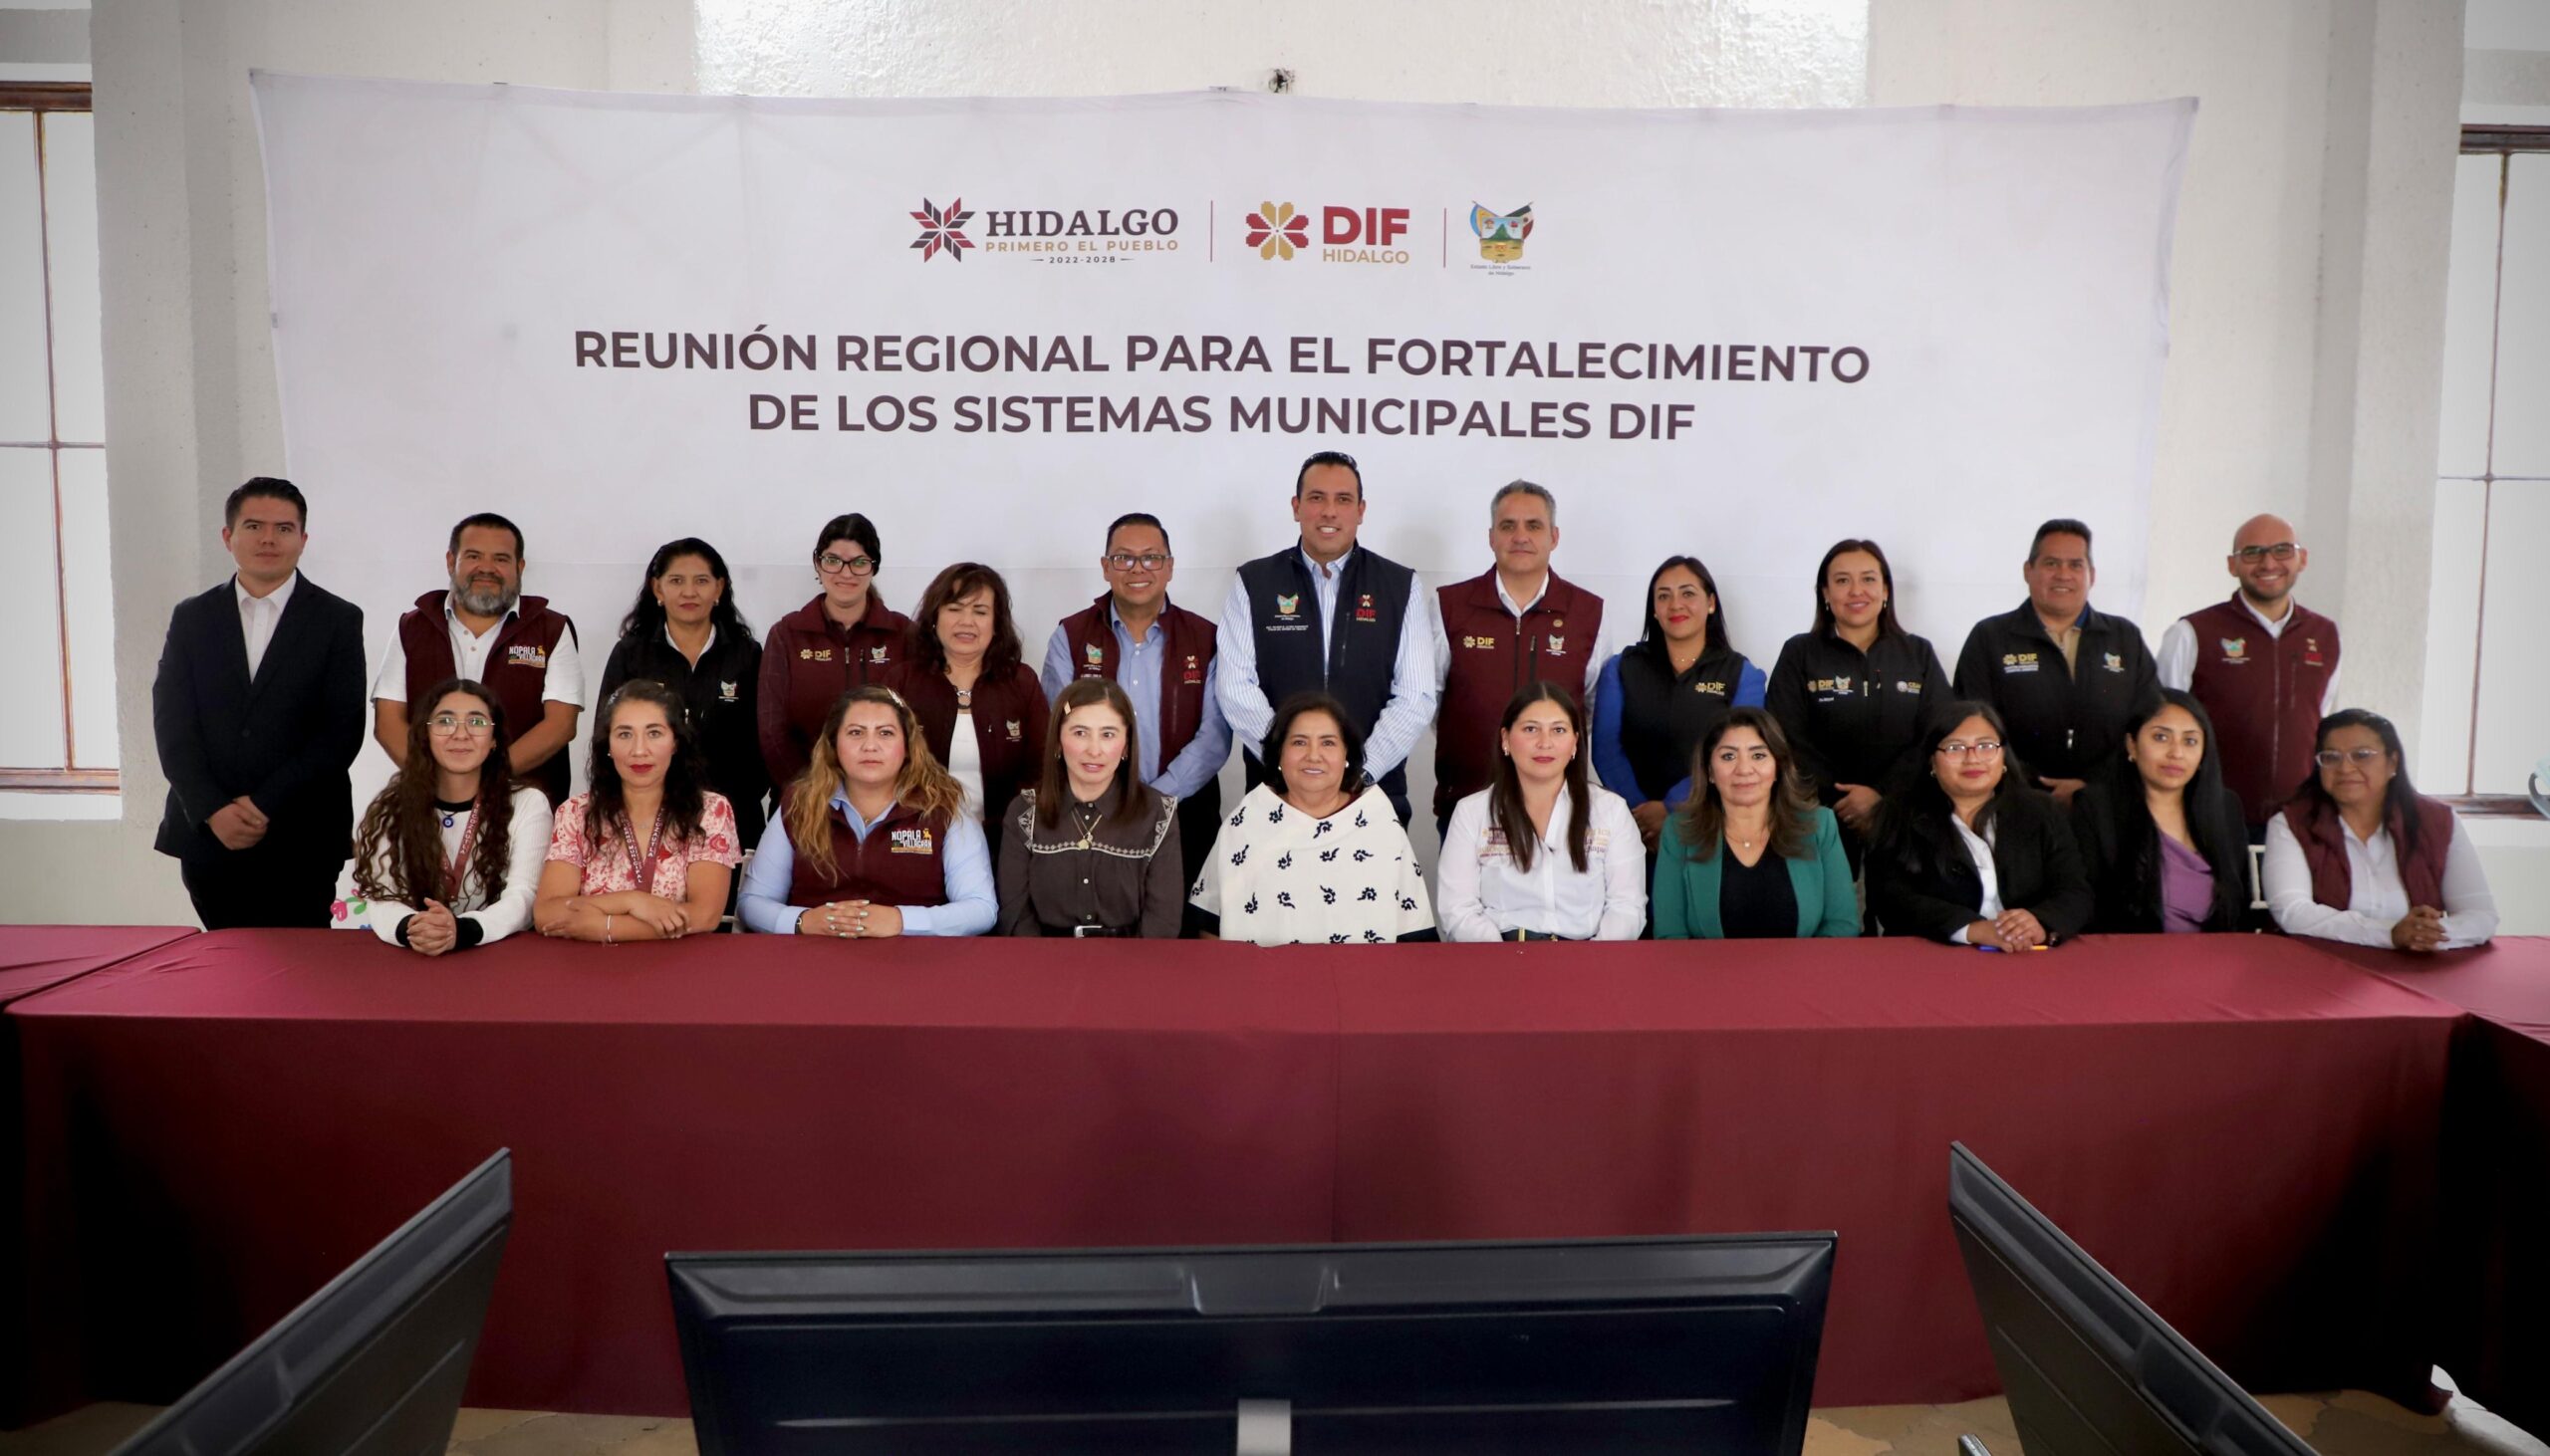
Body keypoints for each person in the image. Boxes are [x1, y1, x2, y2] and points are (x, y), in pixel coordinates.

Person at [151, 477, 366, 928]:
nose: (268, 539)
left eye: (284, 528)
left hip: (303, 835)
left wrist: (264, 804)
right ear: (228, 536)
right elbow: (173, 726)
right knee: (223, 959)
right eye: (254, 526)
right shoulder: (192, 617)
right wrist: (213, 809)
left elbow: (341, 732)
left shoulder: (338, 619)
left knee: (302, 963)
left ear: (303, 540)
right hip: (209, 834)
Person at [1218, 451, 1439, 825]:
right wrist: (1291, 765)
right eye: (1317, 498)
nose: (1329, 512)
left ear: (1361, 510)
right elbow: (1235, 687)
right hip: (1276, 793)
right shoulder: (1254, 582)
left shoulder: (1400, 586)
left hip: (1371, 794)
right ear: (1296, 507)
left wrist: (1358, 773)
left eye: (1343, 499)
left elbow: (1415, 696)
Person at [1039, 512, 1232, 902]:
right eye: (1124, 558)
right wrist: (1111, 799)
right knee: (1097, 922)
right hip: (1089, 814)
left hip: (1185, 814)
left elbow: (1214, 737)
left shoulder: (1205, 638)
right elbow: (1058, 725)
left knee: (1178, 928)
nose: (1138, 568)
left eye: (1151, 558)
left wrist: (1155, 799)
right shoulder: (1071, 636)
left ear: (1170, 567)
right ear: (1106, 567)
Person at [738, 685, 996, 937]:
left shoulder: (944, 806)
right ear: (833, 744)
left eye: (885, 733)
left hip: (915, 957)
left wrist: (901, 920)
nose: (870, 746)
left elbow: (980, 908)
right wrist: (803, 921)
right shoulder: (799, 804)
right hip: (813, 954)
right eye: (855, 732)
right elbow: (753, 902)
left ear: (907, 745)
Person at [1430, 480, 1607, 838]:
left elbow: (1589, 708)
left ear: (1554, 537)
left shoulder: (1588, 613)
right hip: (1468, 805)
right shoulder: (1449, 606)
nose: (1520, 536)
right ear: (1491, 537)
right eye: (1508, 526)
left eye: (1534, 526)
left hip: (1560, 811)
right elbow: (1430, 700)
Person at [1190, 691, 1435, 945]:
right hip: (1258, 970)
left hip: (1363, 971)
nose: (1313, 755)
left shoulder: (1380, 823)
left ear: (1346, 755)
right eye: (1299, 742)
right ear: (1279, 754)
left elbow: (1413, 933)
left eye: (1328, 743)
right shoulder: (1246, 821)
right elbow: (1208, 922)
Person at [373, 512, 583, 807]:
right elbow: (388, 722)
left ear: (519, 567)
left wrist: (482, 781)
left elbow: (560, 725)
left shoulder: (552, 629)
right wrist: (438, 784)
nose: (486, 568)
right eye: (473, 556)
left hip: (526, 805)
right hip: (429, 804)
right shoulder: (411, 627)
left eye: (501, 559)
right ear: (451, 561)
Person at [1764, 539, 1948, 867]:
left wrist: (1881, 797)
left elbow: (1938, 732)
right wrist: (1843, 799)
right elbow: (1785, 735)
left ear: (1886, 590)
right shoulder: (1799, 653)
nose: (1856, 591)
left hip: (1904, 818)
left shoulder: (1918, 653)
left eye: (1868, 579)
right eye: (1842, 580)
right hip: (1819, 819)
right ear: (1825, 592)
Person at [1952, 518, 2159, 808]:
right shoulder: (1990, 637)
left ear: (2091, 575)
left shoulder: (2125, 638)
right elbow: (1971, 727)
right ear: (2028, 571)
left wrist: (2093, 787)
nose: (2063, 574)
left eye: (2075, 565)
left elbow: (2149, 723)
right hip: (2014, 802)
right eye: (2051, 563)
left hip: (2108, 803)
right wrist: (2033, 787)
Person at [2158, 514, 2341, 835]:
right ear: (2232, 565)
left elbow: (2319, 722)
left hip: (2298, 821)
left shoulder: (2325, 635)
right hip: (2209, 818)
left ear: (2302, 559)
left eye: (2282, 550)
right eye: (2253, 553)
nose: (2268, 563)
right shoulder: (2192, 632)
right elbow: (2160, 725)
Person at [2262, 709, 2497, 951]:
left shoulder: (2438, 822)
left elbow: (2481, 915)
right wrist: (2389, 934)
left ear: (2392, 762)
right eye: (2331, 757)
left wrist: (2427, 934)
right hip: (2321, 962)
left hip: (2416, 965)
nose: (2345, 768)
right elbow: (2292, 911)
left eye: (2361, 755)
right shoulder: (2291, 823)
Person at [348, 679, 553, 952]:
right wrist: (415, 928)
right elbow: (382, 897)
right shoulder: (393, 805)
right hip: (417, 953)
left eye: (476, 722)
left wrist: (462, 930)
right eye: (445, 721)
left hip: (497, 954)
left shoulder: (528, 803)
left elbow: (524, 896)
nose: (460, 734)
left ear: (494, 739)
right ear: (426, 735)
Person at [1866, 702, 2093, 948]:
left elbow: (2074, 891)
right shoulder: (1896, 815)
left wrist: (2039, 922)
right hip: (1936, 956)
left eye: (1986, 746)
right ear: (1932, 760)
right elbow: (1891, 899)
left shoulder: (2041, 811)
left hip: (2026, 953)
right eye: (1955, 748)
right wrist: (1970, 929)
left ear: (2003, 756)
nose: (1972, 759)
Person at [533, 679, 742, 941]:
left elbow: (704, 916)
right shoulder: (576, 813)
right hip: (591, 961)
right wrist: (633, 901)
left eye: (654, 733)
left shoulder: (710, 811)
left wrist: (605, 927)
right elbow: (547, 914)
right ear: (608, 746)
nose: (639, 750)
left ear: (675, 742)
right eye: (624, 734)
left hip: (680, 960)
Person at [1434, 682, 1644, 942]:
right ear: (1505, 739)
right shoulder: (1472, 813)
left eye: (1558, 730)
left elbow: (1627, 906)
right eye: (1531, 729)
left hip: (1589, 957)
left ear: (1575, 743)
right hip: (1499, 956)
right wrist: (1503, 959)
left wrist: (1591, 960)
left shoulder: (1610, 810)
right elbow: (1458, 910)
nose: (1545, 743)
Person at [598, 538, 770, 849]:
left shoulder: (747, 655)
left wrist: (727, 801)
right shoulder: (631, 655)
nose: (689, 592)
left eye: (701, 581)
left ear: (719, 589)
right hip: (646, 817)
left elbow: (761, 742)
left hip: (734, 817)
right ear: (658, 589)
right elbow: (607, 734)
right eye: (676, 581)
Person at [1592, 555, 1767, 851]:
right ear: (1654, 609)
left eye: (1688, 593)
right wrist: (1642, 814)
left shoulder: (1742, 675)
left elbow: (1737, 752)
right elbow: (1606, 749)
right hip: (1633, 828)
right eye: (1664, 596)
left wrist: (1672, 808)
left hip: (1710, 822)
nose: (1675, 605)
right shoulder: (1622, 668)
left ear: (1711, 603)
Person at [996, 678, 1185, 938]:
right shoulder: (1024, 811)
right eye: (1080, 733)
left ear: (1126, 745)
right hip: (1042, 957)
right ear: (1058, 741)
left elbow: (1163, 922)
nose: (1094, 750)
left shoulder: (1158, 813)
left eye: (1108, 734)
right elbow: (1015, 916)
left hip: (1134, 958)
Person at [1652, 708, 1858, 939]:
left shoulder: (1819, 825)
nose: (1744, 769)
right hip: (1705, 965)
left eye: (1758, 755)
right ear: (1709, 771)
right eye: (1728, 756)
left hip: (1805, 964)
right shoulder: (1679, 831)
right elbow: (1670, 933)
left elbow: (1842, 925)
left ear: (1778, 766)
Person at [2068, 690, 2254, 934]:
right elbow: (2086, 906)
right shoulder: (2097, 808)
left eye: (2190, 741)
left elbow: (2240, 910)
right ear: (2132, 745)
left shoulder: (2226, 808)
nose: (2176, 753)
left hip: (2215, 953)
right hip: (2128, 954)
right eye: (2161, 737)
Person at [898, 562, 1048, 853]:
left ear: (996, 624)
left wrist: (1014, 831)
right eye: (954, 609)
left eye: (980, 612)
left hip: (1006, 842)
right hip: (918, 840)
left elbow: (1041, 769)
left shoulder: (1021, 682)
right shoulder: (903, 682)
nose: (966, 622)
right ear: (934, 617)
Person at [759, 513, 909, 792]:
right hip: (804, 795)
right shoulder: (787, 634)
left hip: (888, 798)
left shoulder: (903, 633)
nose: (846, 573)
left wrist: (885, 792)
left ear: (874, 567)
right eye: (833, 560)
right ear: (817, 563)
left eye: (859, 562)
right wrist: (811, 792)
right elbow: (772, 732)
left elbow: (916, 724)